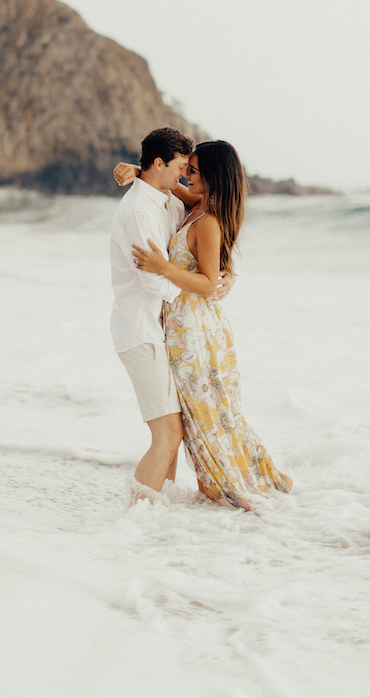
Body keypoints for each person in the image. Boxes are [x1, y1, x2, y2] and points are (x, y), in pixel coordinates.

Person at [127, 140, 292, 511]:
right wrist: (136, 171)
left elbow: (207, 282)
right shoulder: (196, 205)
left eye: (196, 171)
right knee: (203, 414)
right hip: (184, 329)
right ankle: (213, 489)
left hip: (197, 332)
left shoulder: (209, 221)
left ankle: (257, 484)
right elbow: (163, 183)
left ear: (214, 176)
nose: (187, 175)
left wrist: (165, 268)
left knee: (210, 413)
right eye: (188, 168)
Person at [110, 127, 233, 497]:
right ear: (160, 163)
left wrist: (223, 277)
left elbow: (201, 239)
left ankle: (157, 518)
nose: (184, 174)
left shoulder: (170, 203)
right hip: (141, 329)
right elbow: (154, 284)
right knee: (168, 433)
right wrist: (204, 286)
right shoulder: (138, 212)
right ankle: (135, 518)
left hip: (162, 331)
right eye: (181, 166)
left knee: (174, 431)